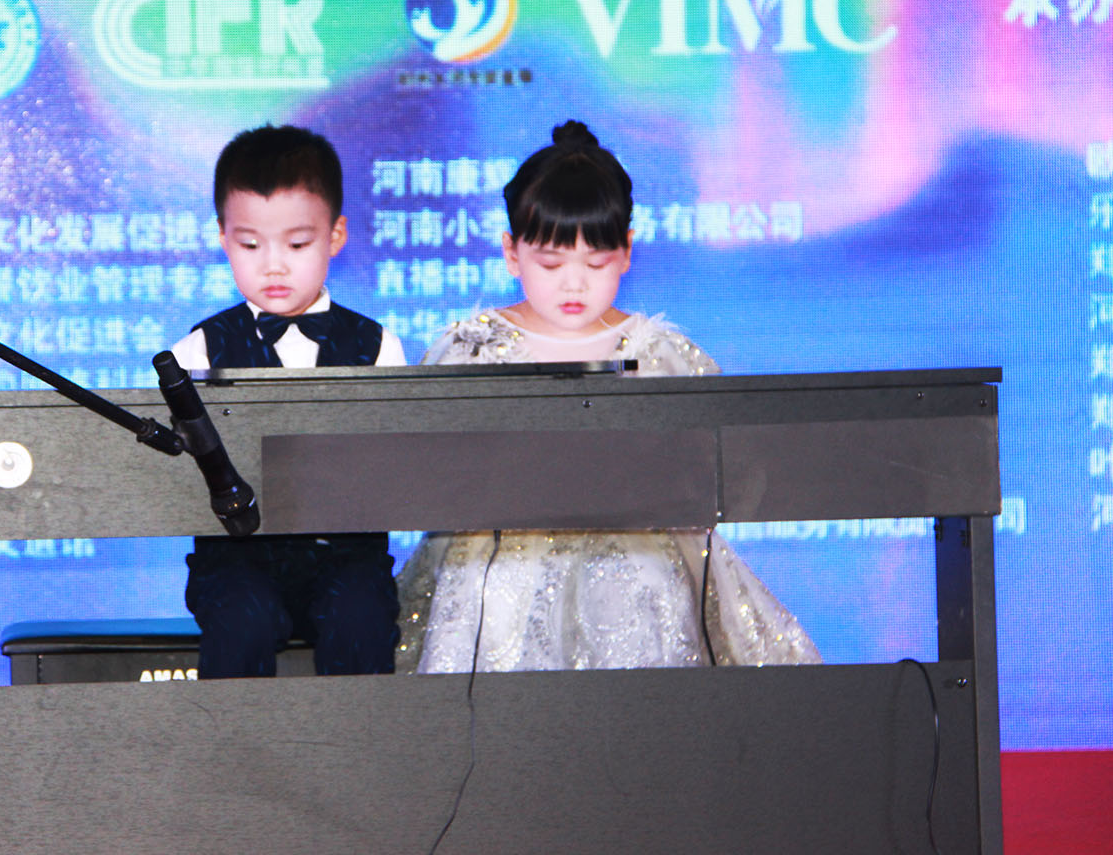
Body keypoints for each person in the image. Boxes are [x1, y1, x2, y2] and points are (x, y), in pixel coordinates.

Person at [397, 120, 820, 674]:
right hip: (501, 568)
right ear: (511, 252)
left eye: (594, 264)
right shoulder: (471, 349)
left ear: (625, 252)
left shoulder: (661, 353)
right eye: (551, 263)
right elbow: (429, 472)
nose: (573, 284)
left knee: (643, 593)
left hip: (635, 558)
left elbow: (721, 474)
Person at [168, 124, 406, 679]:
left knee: (360, 618)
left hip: (347, 554)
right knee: (240, 621)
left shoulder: (378, 346)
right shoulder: (196, 350)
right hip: (237, 557)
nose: (273, 265)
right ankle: (236, 739)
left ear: (336, 234)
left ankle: (360, 737)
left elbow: (394, 467)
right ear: (223, 237)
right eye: (251, 245)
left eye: (297, 245)